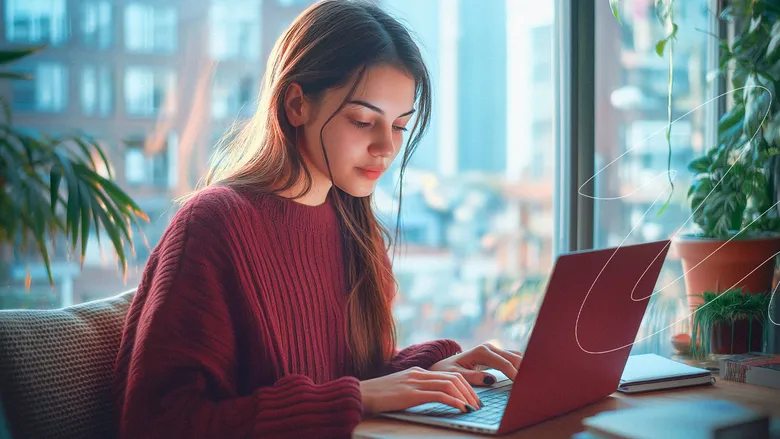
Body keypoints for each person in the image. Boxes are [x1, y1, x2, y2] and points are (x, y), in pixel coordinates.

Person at [112, 1, 523, 438]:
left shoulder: (354, 224)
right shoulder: (214, 224)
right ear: (296, 105)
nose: (386, 147)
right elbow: (158, 424)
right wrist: (357, 397)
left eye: (400, 125)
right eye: (363, 121)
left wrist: (431, 370)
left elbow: (347, 377)